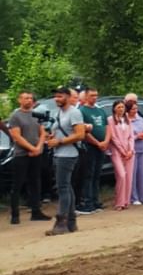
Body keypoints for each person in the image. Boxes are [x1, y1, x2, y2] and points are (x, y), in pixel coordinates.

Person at [46, 87, 86, 235]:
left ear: (68, 97)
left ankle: (61, 223)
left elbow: (80, 134)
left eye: (60, 96)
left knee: (62, 188)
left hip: (68, 155)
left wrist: (60, 141)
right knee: (66, 187)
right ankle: (71, 223)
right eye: (56, 96)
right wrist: (51, 137)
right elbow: (58, 131)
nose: (57, 99)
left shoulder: (74, 112)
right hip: (59, 153)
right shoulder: (58, 113)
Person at [7, 91, 51, 224]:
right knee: (18, 184)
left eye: (31, 98)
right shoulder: (15, 116)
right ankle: (15, 215)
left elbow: (42, 132)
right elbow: (16, 136)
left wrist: (39, 148)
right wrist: (32, 148)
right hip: (21, 155)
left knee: (36, 182)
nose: (29, 100)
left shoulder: (36, 114)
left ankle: (36, 212)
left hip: (36, 154)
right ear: (19, 100)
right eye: (26, 98)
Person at [77, 88, 110, 215]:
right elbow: (83, 131)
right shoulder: (82, 111)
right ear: (85, 97)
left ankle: (96, 201)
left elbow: (107, 127)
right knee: (88, 175)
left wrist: (106, 141)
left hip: (101, 146)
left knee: (97, 174)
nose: (94, 98)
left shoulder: (100, 110)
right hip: (89, 147)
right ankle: (87, 202)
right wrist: (97, 143)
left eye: (96, 95)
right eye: (92, 95)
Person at [107, 100, 135, 211]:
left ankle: (126, 201)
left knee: (128, 177)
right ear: (114, 108)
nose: (121, 109)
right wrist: (122, 151)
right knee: (121, 175)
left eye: (122, 107)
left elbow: (131, 136)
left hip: (129, 152)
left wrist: (130, 150)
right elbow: (113, 137)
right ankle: (119, 202)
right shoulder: (110, 120)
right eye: (118, 107)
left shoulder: (127, 119)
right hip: (117, 151)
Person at [126, 98, 143, 205]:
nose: (135, 111)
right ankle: (133, 197)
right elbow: (125, 136)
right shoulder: (126, 121)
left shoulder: (140, 119)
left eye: (136, 108)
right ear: (128, 110)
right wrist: (136, 136)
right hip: (132, 150)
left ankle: (142, 196)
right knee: (133, 174)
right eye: (133, 109)